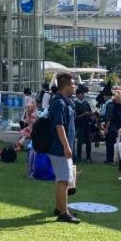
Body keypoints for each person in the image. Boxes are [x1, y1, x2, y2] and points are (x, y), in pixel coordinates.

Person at [48, 72, 80, 223]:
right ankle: (63, 213)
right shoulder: (59, 103)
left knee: (62, 180)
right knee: (64, 181)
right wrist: (67, 147)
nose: (74, 86)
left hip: (61, 148)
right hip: (59, 148)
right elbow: (59, 126)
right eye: (73, 84)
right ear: (66, 86)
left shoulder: (64, 101)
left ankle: (59, 207)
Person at [102, 90, 121, 165]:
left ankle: (110, 159)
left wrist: (106, 129)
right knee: (117, 145)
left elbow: (108, 118)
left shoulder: (111, 106)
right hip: (119, 129)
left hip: (111, 128)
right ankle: (116, 160)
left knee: (109, 144)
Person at [73, 86, 94, 163]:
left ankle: (88, 156)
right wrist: (83, 114)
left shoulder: (86, 103)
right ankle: (78, 156)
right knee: (80, 141)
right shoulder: (75, 104)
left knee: (88, 141)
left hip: (87, 124)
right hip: (79, 125)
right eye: (81, 94)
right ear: (77, 95)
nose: (83, 95)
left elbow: (90, 112)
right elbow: (75, 117)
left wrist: (91, 114)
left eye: (83, 94)